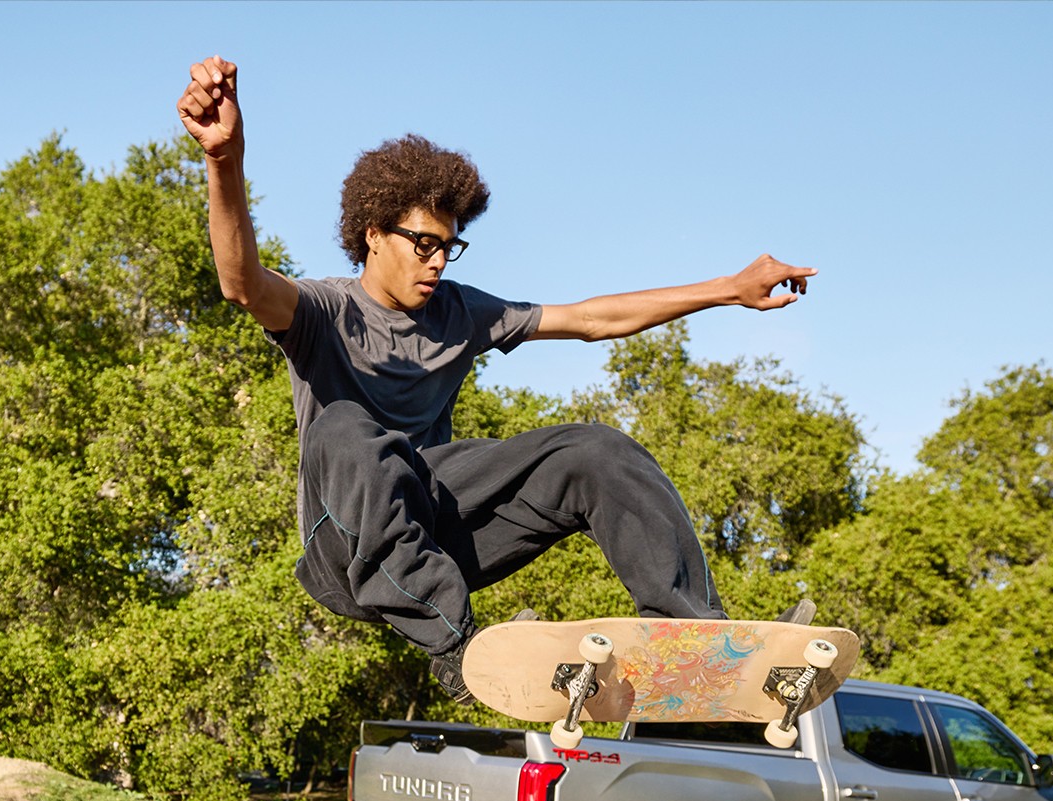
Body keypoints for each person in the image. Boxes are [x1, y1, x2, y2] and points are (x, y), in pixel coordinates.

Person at [175, 56, 819, 702]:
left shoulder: (459, 312)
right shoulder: (322, 310)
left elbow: (592, 319)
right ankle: (455, 646)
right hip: (346, 543)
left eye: (448, 247)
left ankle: (695, 638)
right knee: (348, 428)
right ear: (372, 234)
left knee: (593, 450)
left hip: (430, 528)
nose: (436, 263)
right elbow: (242, 285)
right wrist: (224, 162)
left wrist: (728, 289)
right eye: (421, 243)